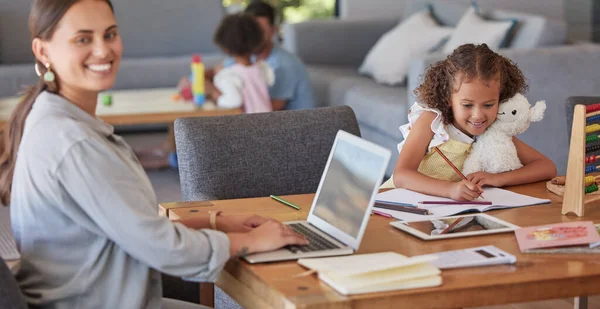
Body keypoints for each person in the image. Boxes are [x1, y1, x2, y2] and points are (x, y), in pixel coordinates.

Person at [0, 1, 307, 308]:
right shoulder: (75, 142)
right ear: (42, 51)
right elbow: (164, 249)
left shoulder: (53, 117)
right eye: (83, 39)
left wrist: (217, 221)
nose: (103, 50)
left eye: (109, 34)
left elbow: (132, 226)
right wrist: (251, 241)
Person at [385, 44, 556, 201]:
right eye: (467, 105)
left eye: (488, 105)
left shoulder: (493, 131)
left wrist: (499, 179)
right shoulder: (432, 121)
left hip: (446, 213)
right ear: (447, 98)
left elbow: (546, 167)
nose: (478, 116)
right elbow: (402, 175)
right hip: (397, 203)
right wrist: (450, 190)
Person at [207, 1, 315, 112]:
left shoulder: (284, 65)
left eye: (259, 32)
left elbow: (267, 108)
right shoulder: (250, 60)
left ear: (273, 31)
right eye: (248, 33)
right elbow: (214, 71)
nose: (252, 38)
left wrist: (213, 93)